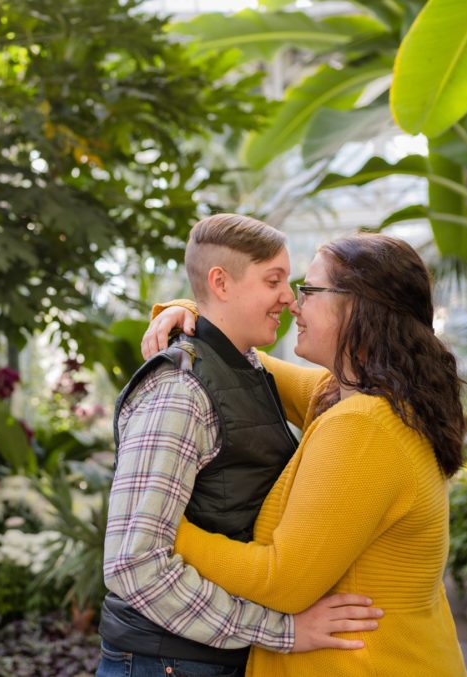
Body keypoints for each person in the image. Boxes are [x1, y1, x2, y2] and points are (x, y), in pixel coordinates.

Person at [142, 232, 467, 676]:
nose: (293, 305)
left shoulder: (365, 427)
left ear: (358, 306)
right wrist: (195, 308)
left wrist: (160, 528)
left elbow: (282, 581)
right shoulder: (353, 397)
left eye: (309, 291)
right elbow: (241, 355)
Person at [98, 215, 383, 677]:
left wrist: (184, 309)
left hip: (204, 655)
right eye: (274, 280)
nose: (289, 298)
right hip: (168, 661)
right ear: (221, 283)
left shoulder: (247, 368)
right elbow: (134, 565)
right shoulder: (179, 392)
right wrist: (282, 630)